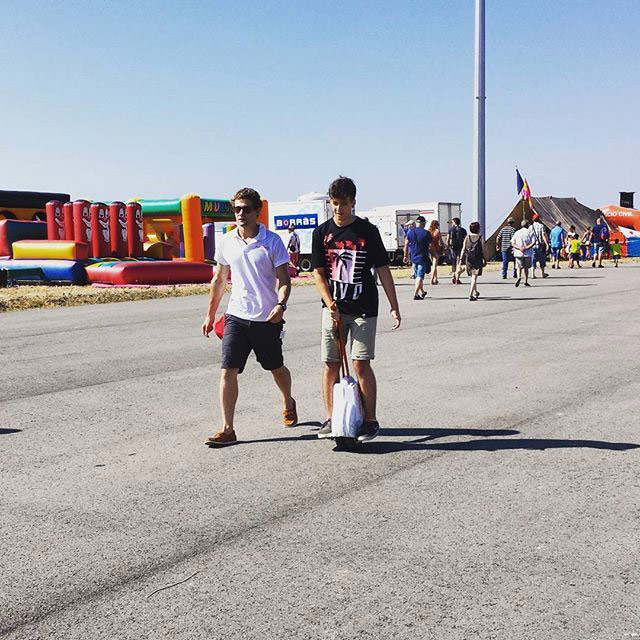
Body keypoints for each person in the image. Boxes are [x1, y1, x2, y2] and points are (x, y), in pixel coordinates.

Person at [201, 187, 297, 446]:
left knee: (276, 367)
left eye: (245, 209)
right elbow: (219, 279)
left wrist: (281, 304)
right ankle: (228, 429)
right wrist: (210, 315)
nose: (240, 214)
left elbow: (284, 279)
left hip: (267, 318)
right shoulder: (226, 241)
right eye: (237, 209)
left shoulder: (272, 241)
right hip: (236, 316)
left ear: (257, 211)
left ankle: (288, 401)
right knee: (227, 370)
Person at [312, 176, 401, 443]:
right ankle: (331, 418)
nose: (338, 209)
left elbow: (383, 270)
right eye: (334, 203)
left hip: (364, 308)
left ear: (353, 203)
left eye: (343, 203)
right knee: (331, 364)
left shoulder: (367, 231)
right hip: (334, 309)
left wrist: (394, 307)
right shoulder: (321, 233)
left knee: (361, 363)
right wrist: (329, 302)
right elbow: (318, 273)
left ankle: (370, 421)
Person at [403, 215, 432, 300]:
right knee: (420, 276)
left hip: (414, 257)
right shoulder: (426, 233)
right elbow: (430, 246)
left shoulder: (410, 232)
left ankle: (422, 291)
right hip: (422, 257)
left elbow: (406, 244)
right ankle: (415, 294)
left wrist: (405, 255)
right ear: (424, 223)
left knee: (417, 277)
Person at [461, 221, 485, 301]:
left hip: (469, 258)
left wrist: (460, 259)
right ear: (478, 229)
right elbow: (483, 249)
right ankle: (470, 295)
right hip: (477, 258)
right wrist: (485, 258)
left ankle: (476, 292)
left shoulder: (467, 237)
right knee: (474, 276)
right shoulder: (480, 237)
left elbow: (463, 248)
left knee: (473, 276)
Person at [511, 219, 536, 287]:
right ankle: (525, 281)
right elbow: (533, 242)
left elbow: (512, 243)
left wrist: (519, 248)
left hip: (518, 253)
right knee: (526, 268)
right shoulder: (530, 232)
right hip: (527, 253)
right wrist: (526, 247)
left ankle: (519, 277)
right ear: (528, 225)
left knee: (519, 267)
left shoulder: (517, 232)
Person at [447, 217, 467, 284]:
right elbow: (465, 239)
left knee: (453, 262)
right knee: (459, 262)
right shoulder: (463, 230)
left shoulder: (451, 230)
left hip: (453, 247)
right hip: (460, 247)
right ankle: (457, 278)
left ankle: (453, 276)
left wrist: (447, 246)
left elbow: (448, 239)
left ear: (454, 222)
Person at [530, 213, 550, 278]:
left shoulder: (531, 227)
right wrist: (547, 244)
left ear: (533, 219)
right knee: (542, 259)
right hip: (540, 245)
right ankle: (543, 273)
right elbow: (543, 235)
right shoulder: (541, 226)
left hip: (533, 246)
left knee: (533, 259)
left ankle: (533, 274)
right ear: (539, 219)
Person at [428, 220, 444, 285]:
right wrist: (443, 247)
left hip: (430, 249)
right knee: (434, 265)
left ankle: (436, 279)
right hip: (436, 249)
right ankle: (431, 279)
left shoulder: (429, 231)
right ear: (436, 225)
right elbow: (441, 241)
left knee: (434, 265)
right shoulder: (437, 231)